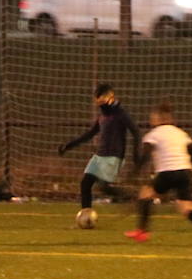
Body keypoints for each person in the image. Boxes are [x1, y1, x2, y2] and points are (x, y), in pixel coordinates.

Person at [124, 101, 192, 246]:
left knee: (145, 194)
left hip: (167, 172)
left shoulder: (153, 134)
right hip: (185, 172)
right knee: (186, 207)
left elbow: (145, 155)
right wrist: (188, 165)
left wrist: (134, 172)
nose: (150, 118)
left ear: (158, 118)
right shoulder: (181, 133)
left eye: (152, 116)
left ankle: (142, 231)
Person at [58, 83, 140, 215]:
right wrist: (69, 145)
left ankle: (134, 196)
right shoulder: (103, 115)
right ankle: (86, 216)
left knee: (104, 187)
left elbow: (136, 131)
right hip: (99, 155)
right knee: (85, 184)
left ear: (111, 97)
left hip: (113, 156)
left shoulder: (121, 113)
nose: (100, 105)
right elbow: (90, 134)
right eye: (98, 102)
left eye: (102, 101)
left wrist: (136, 155)